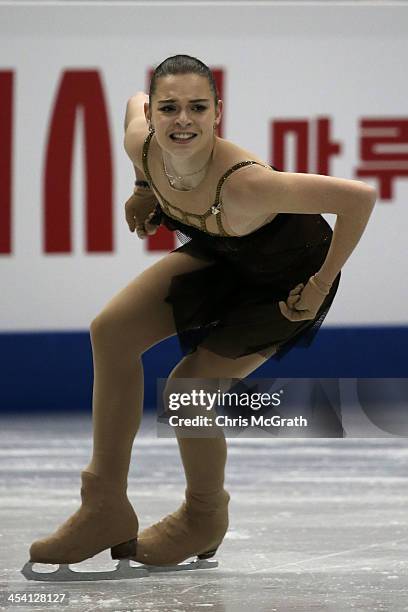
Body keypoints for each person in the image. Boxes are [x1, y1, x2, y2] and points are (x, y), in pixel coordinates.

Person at [27, 54, 376, 572]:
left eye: (197, 107)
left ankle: (204, 515)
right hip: (226, 255)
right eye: (169, 107)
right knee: (112, 330)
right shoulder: (143, 145)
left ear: (218, 112)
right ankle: (104, 506)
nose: (182, 120)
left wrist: (321, 282)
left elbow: (359, 198)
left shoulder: (247, 183)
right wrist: (143, 190)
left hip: (288, 281)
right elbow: (131, 103)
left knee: (187, 389)